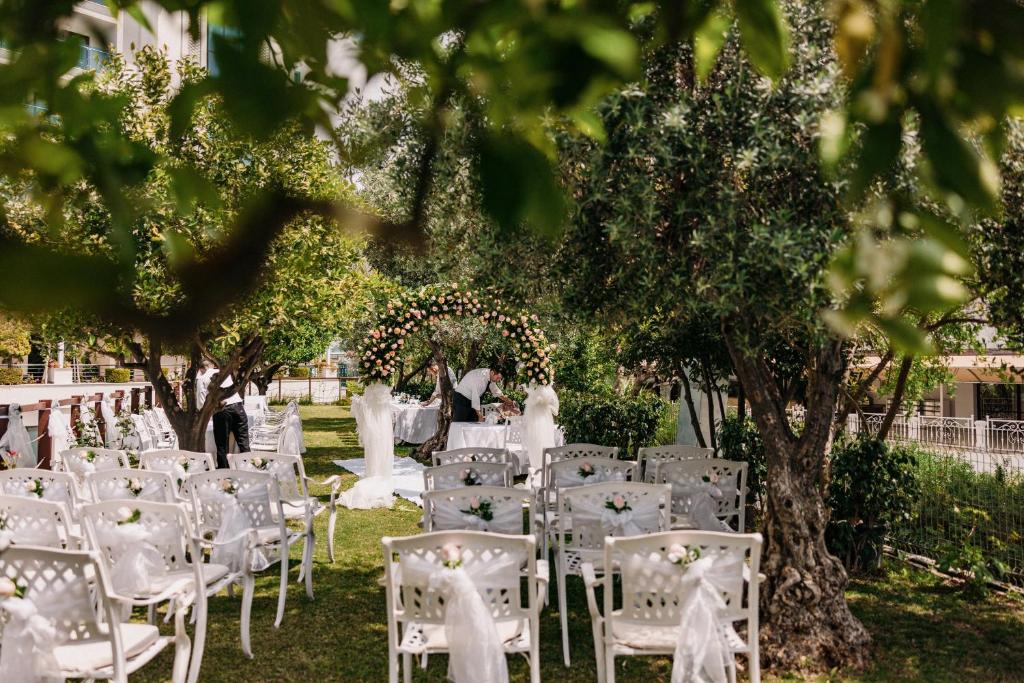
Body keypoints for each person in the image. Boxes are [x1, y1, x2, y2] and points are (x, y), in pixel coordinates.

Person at [198, 361, 251, 468]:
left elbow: (201, 402)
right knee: (243, 443)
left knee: (222, 445)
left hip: (222, 410)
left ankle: (224, 473)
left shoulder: (202, 378)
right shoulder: (223, 373)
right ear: (211, 365)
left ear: (201, 369)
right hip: (238, 406)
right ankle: (248, 468)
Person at [452, 367, 517, 422]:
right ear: (492, 373)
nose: (498, 380)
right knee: (459, 424)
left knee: (472, 424)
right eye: (498, 378)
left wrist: (508, 401)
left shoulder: (489, 376)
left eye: (500, 379)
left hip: (470, 401)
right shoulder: (480, 379)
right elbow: (476, 397)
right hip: (461, 399)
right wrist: (479, 415)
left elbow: (495, 390)